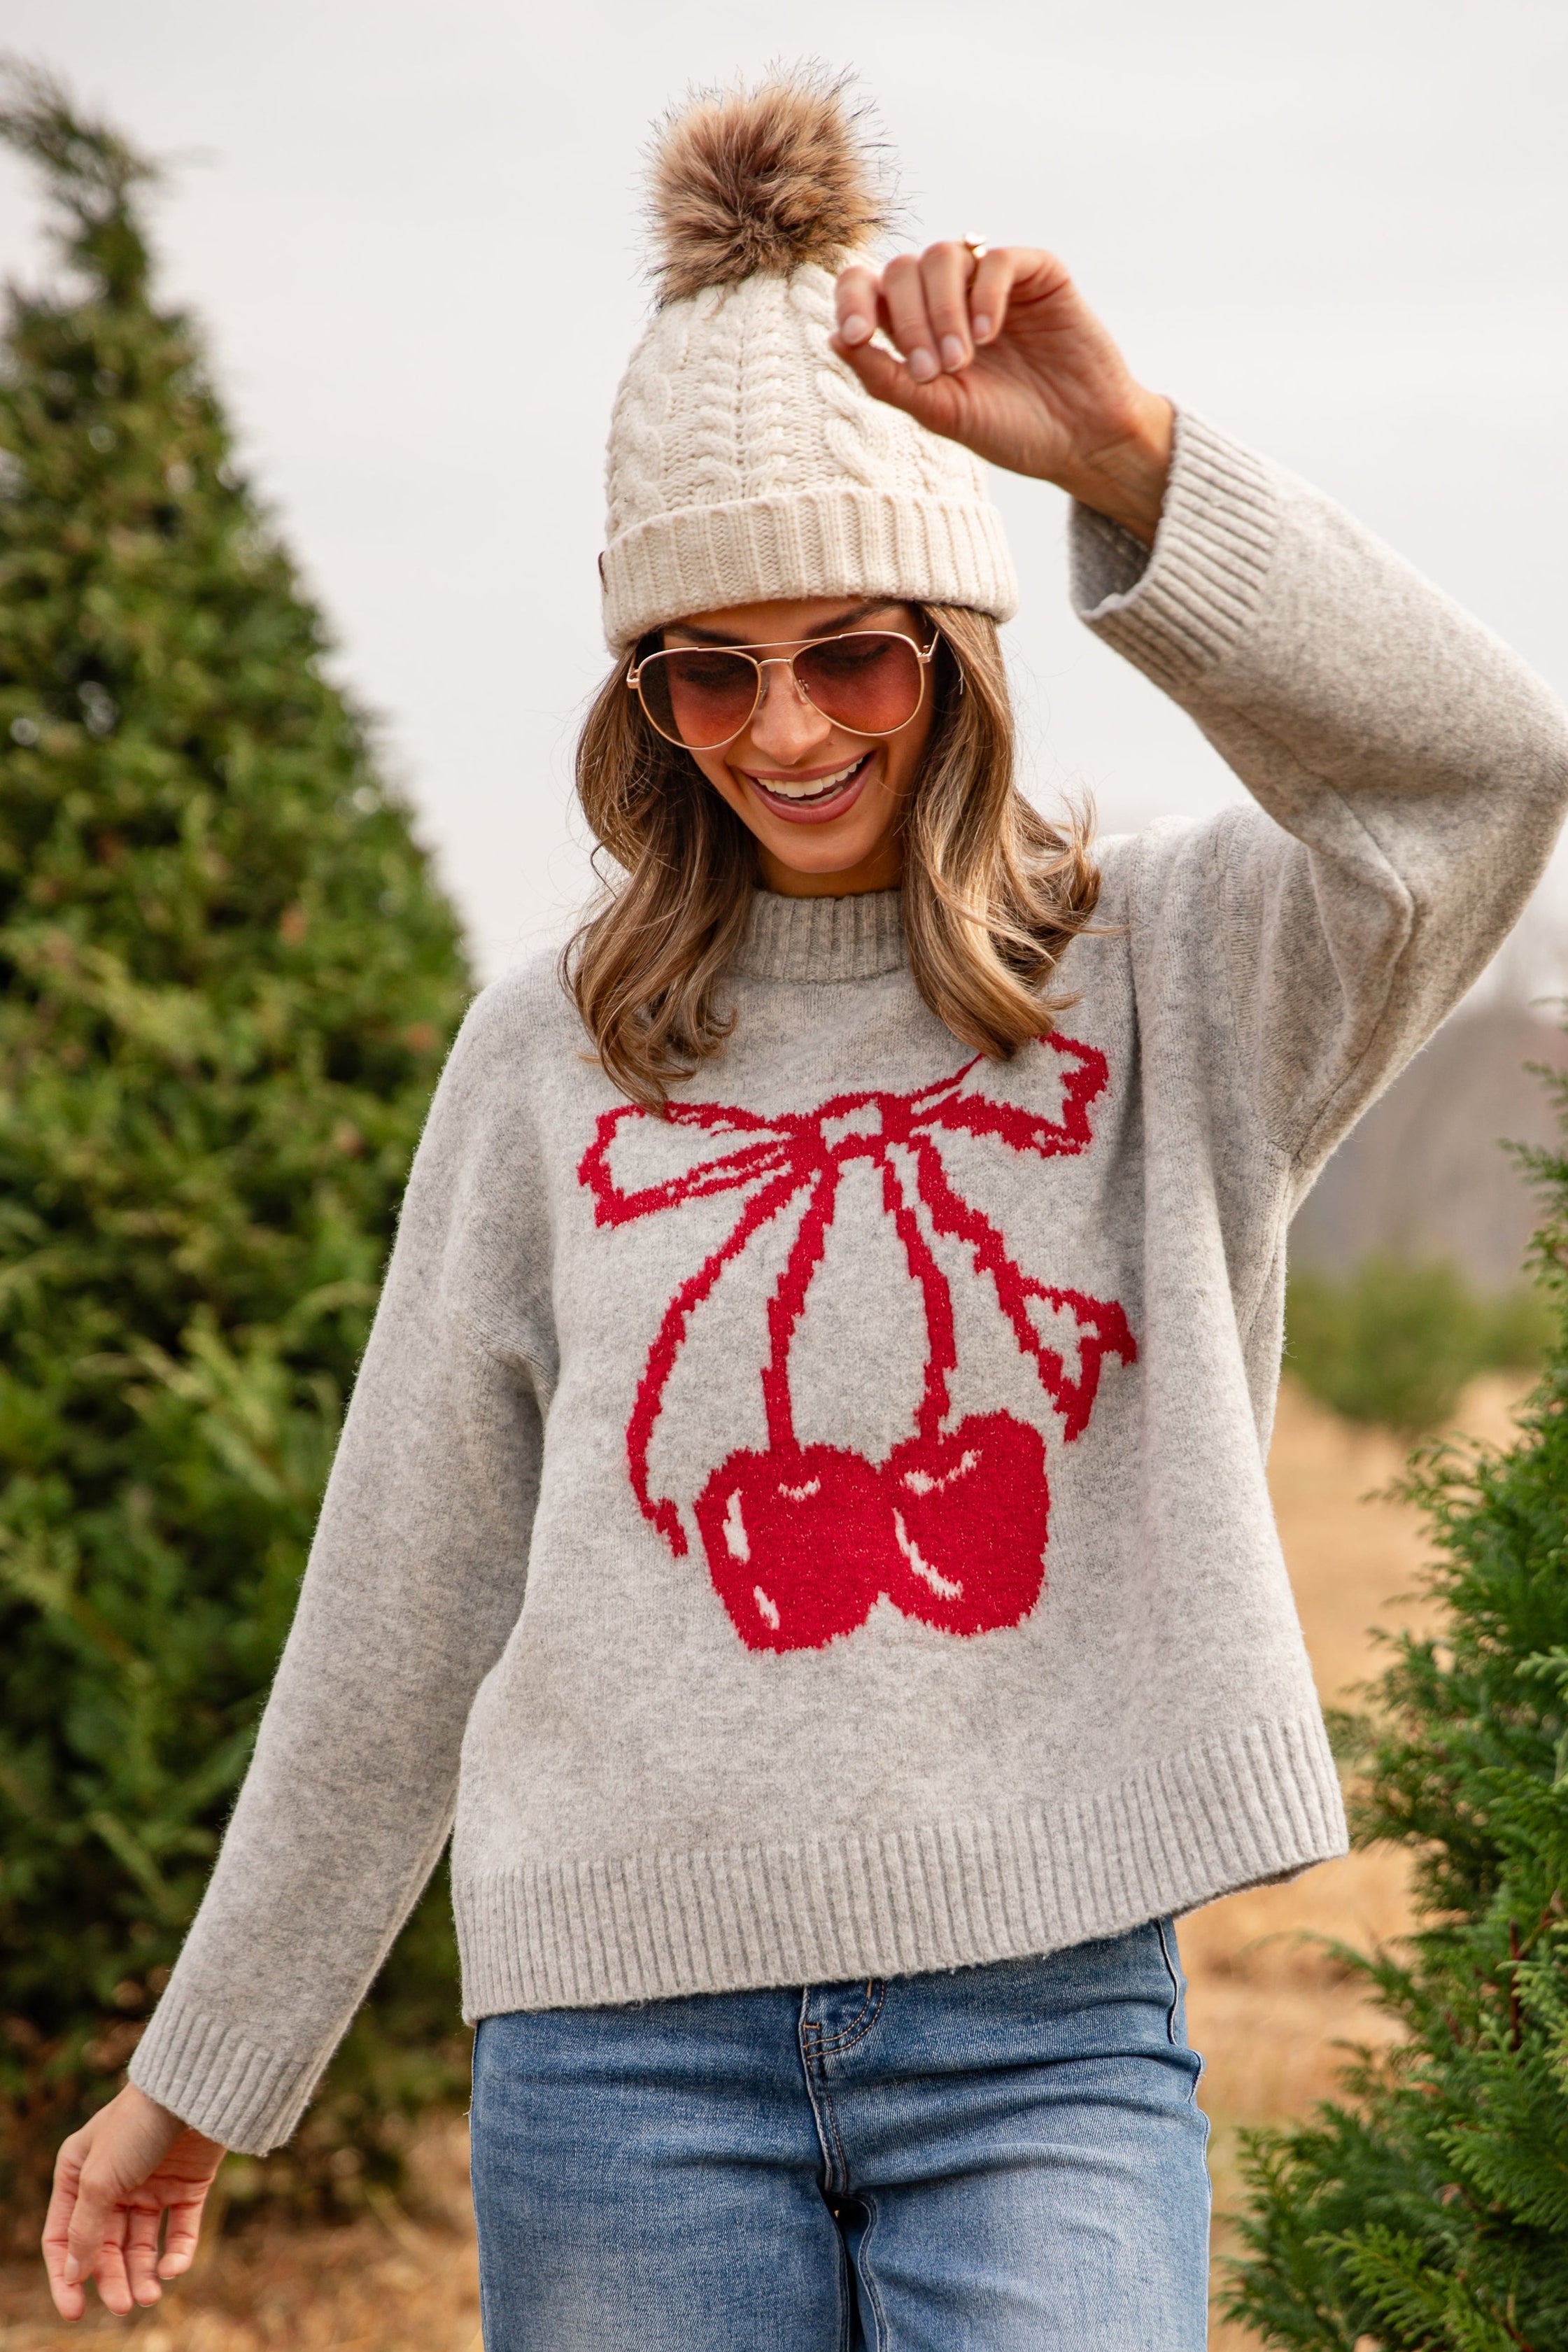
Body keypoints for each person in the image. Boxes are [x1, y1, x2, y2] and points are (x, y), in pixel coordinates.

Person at [42, 70, 1568, 2351]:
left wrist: (1136, 461)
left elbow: (1480, 774)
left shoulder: (1174, 974)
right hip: (619, 2055)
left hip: (1043, 2040)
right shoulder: (551, 1048)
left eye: (846, 649)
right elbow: (409, 1568)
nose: (779, 730)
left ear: (951, 646)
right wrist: (209, 2063)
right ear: (641, 697)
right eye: (704, 668)